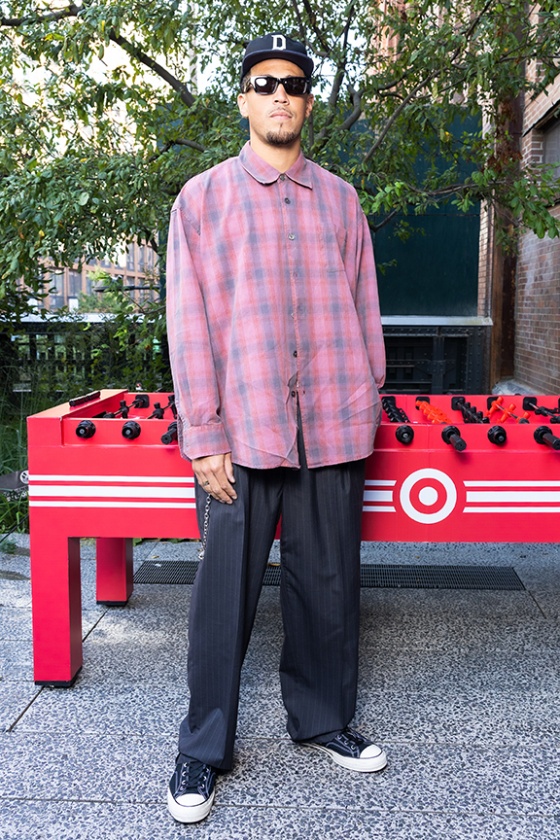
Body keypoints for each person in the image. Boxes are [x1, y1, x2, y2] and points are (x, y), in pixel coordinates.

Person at [165, 32, 387, 824]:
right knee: (221, 593)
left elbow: (364, 308)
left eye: (293, 83)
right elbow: (188, 325)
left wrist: (367, 391)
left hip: (332, 420)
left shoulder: (342, 199)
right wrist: (205, 432)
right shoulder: (201, 199)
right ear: (243, 97)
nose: (280, 95)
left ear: (309, 99)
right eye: (265, 83)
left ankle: (323, 718)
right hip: (242, 426)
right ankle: (202, 748)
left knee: (329, 583)